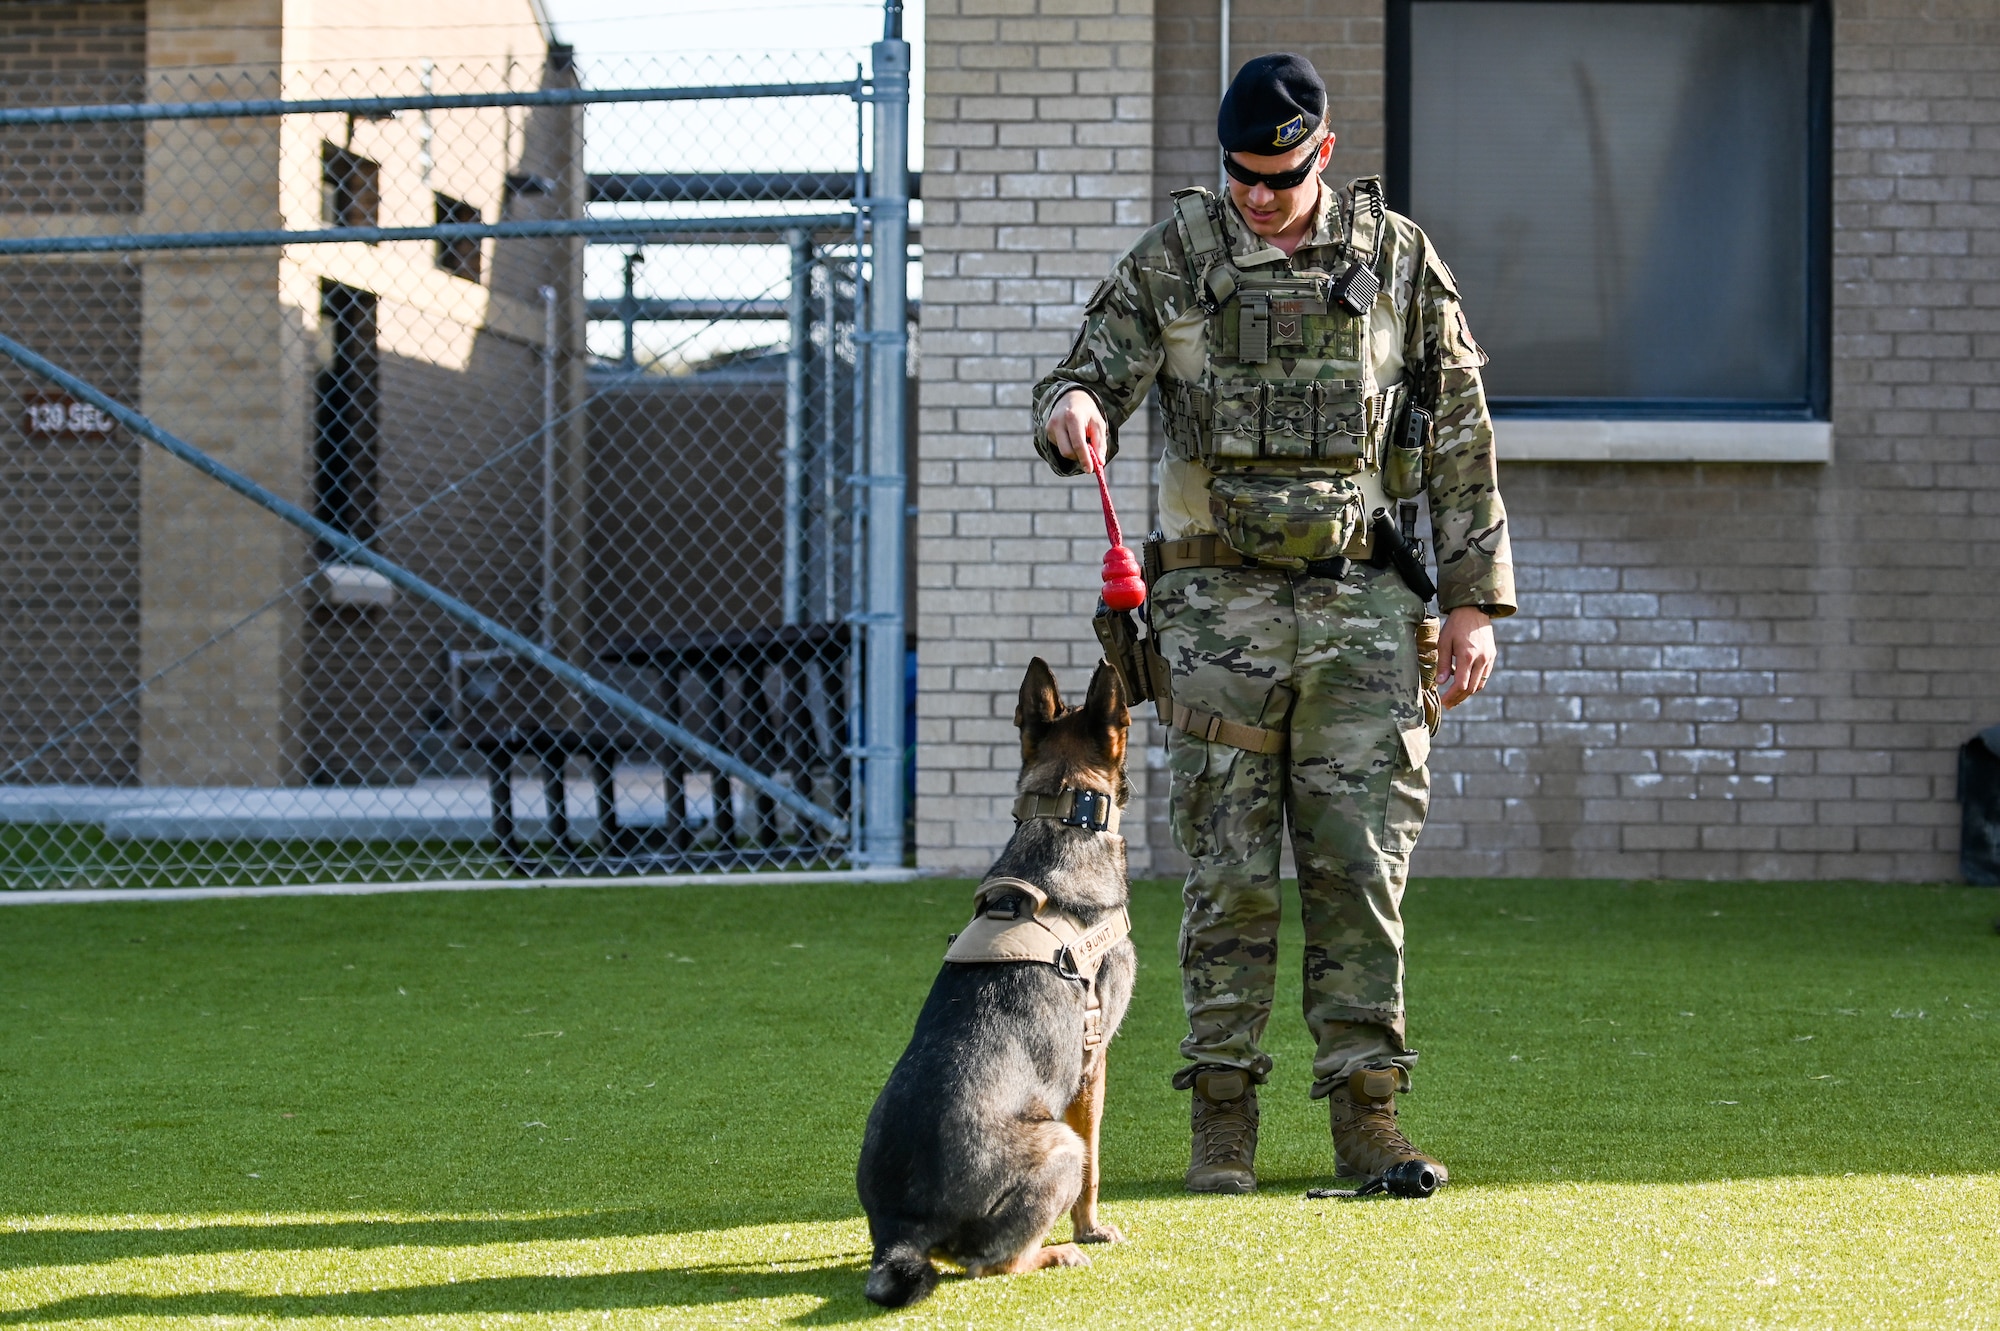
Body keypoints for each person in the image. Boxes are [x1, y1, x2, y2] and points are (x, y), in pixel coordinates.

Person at [1030, 53, 1514, 1195]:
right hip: (1214, 615)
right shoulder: (1179, 258)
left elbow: (1457, 435)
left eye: (1280, 176)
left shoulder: (1396, 261)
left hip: (1360, 611)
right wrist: (1074, 409)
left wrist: (1472, 601)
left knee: (1359, 865)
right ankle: (1220, 1129)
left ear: (1322, 156)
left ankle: (1368, 1121)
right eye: (1241, 176)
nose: (1258, 195)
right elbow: (1084, 374)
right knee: (1226, 872)